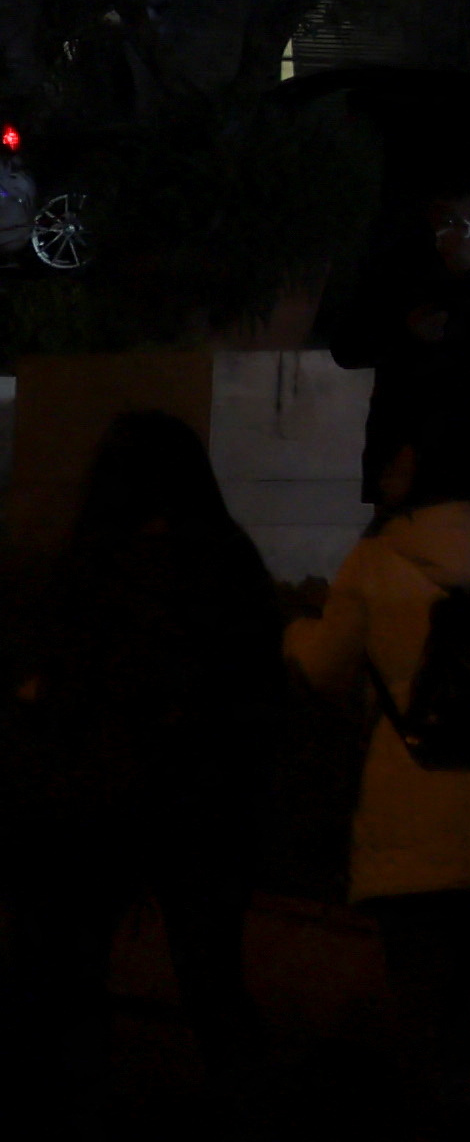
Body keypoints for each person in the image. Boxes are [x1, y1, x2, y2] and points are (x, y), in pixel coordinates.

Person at [284, 411, 470, 1114]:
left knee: (419, 984)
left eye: (392, 463)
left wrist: (294, 633)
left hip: (410, 796)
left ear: (416, 471)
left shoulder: (377, 558)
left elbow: (326, 667)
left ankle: (437, 1108)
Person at [10, 409, 285, 1106]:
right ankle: (241, 1103)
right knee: (212, 974)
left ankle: (72, 1101)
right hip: (205, 797)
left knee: (69, 972)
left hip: (99, 795)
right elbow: (258, 686)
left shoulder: (92, 563)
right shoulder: (229, 559)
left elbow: (60, 679)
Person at [318, 184, 470, 516]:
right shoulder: (393, 267)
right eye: (451, 217)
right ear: (431, 215)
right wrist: (406, 331)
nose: (463, 228)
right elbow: (349, 347)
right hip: (410, 453)